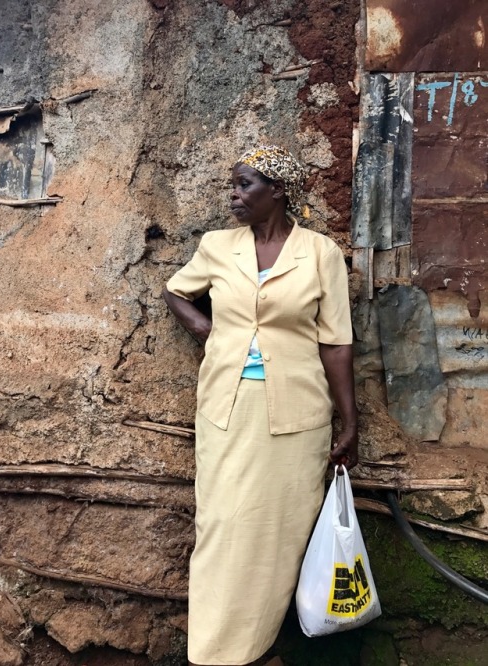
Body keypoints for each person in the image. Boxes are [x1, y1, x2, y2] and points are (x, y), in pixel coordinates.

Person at [162, 145, 358, 666]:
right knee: (223, 525)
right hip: (226, 409)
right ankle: (211, 652)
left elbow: (336, 343)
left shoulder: (320, 254)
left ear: (278, 191)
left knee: (279, 532)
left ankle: (257, 647)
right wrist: (205, 328)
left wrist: (349, 420)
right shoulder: (217, 246)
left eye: (246, 184)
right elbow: (176, 290)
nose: (235, 194)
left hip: (297, 414)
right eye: (234, 184)